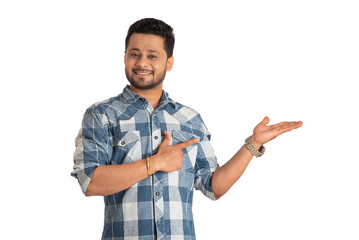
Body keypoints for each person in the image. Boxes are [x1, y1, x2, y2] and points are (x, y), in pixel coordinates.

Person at [71, 18, 303, 240]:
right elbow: (90, 181)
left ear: (169, 63)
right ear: (124, 58)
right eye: (135, 54)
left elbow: (214, 186)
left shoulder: (189, 119)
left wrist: (252, 145)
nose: (142, 63)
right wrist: (155, 163)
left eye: (152, 56)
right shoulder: (101, 115)